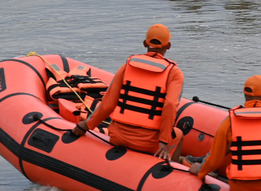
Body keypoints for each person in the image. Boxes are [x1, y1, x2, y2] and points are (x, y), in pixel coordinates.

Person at [69, 25, 184, 157]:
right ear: (168, 46)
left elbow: (108, 103)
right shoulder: (174, 73)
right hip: (150, 143)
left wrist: (86, 125)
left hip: (118, 137)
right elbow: (170, 106)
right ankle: (172, 170)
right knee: (178, 135)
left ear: (145, 43)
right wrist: (163, 140)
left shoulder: (127, 66)